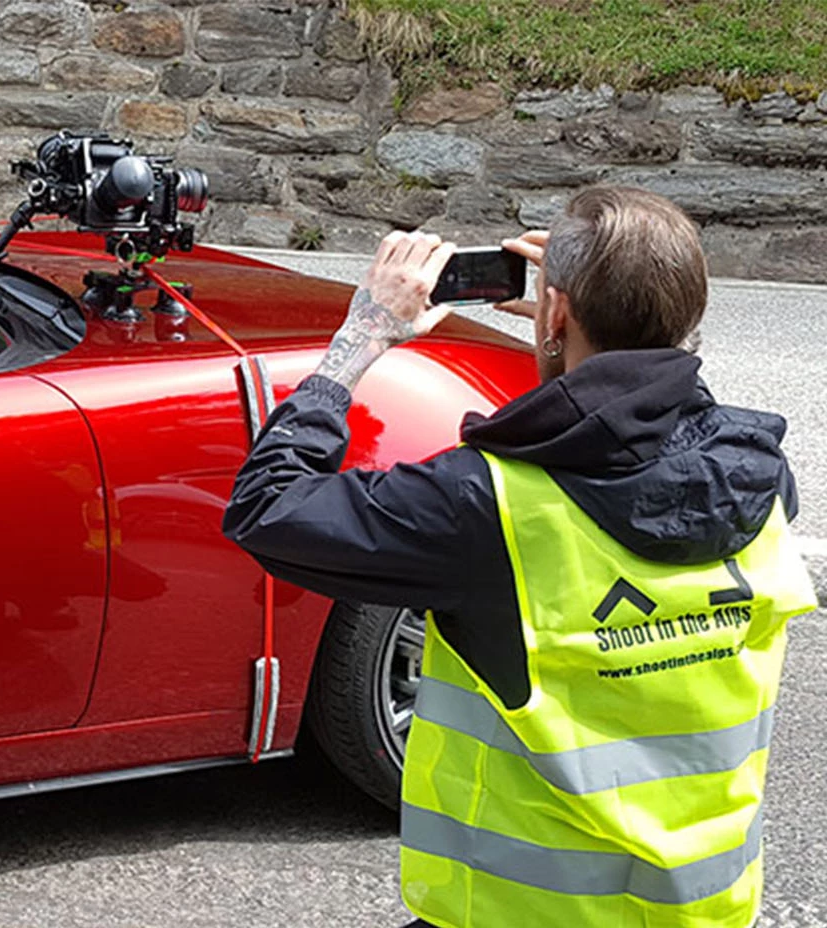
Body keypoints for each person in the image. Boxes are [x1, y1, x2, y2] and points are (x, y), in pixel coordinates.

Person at [222, 186, 819, 928]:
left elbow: (268, 507)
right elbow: (676, 435)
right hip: (701, 911)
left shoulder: (490, 506)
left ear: (556, 313)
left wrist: (364, 335)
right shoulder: (758, 478)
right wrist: (602, 332)